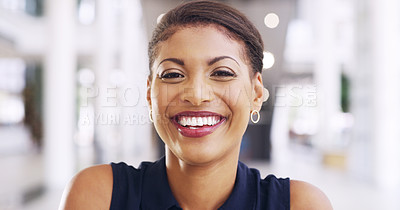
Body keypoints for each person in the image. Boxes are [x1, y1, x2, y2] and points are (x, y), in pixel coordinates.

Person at [59, 1, 333, 209]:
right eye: (173, 75)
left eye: (222, 73)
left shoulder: (300, 204)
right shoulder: (98, 195)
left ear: (256, 93)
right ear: (149, 94)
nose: (197, 94)